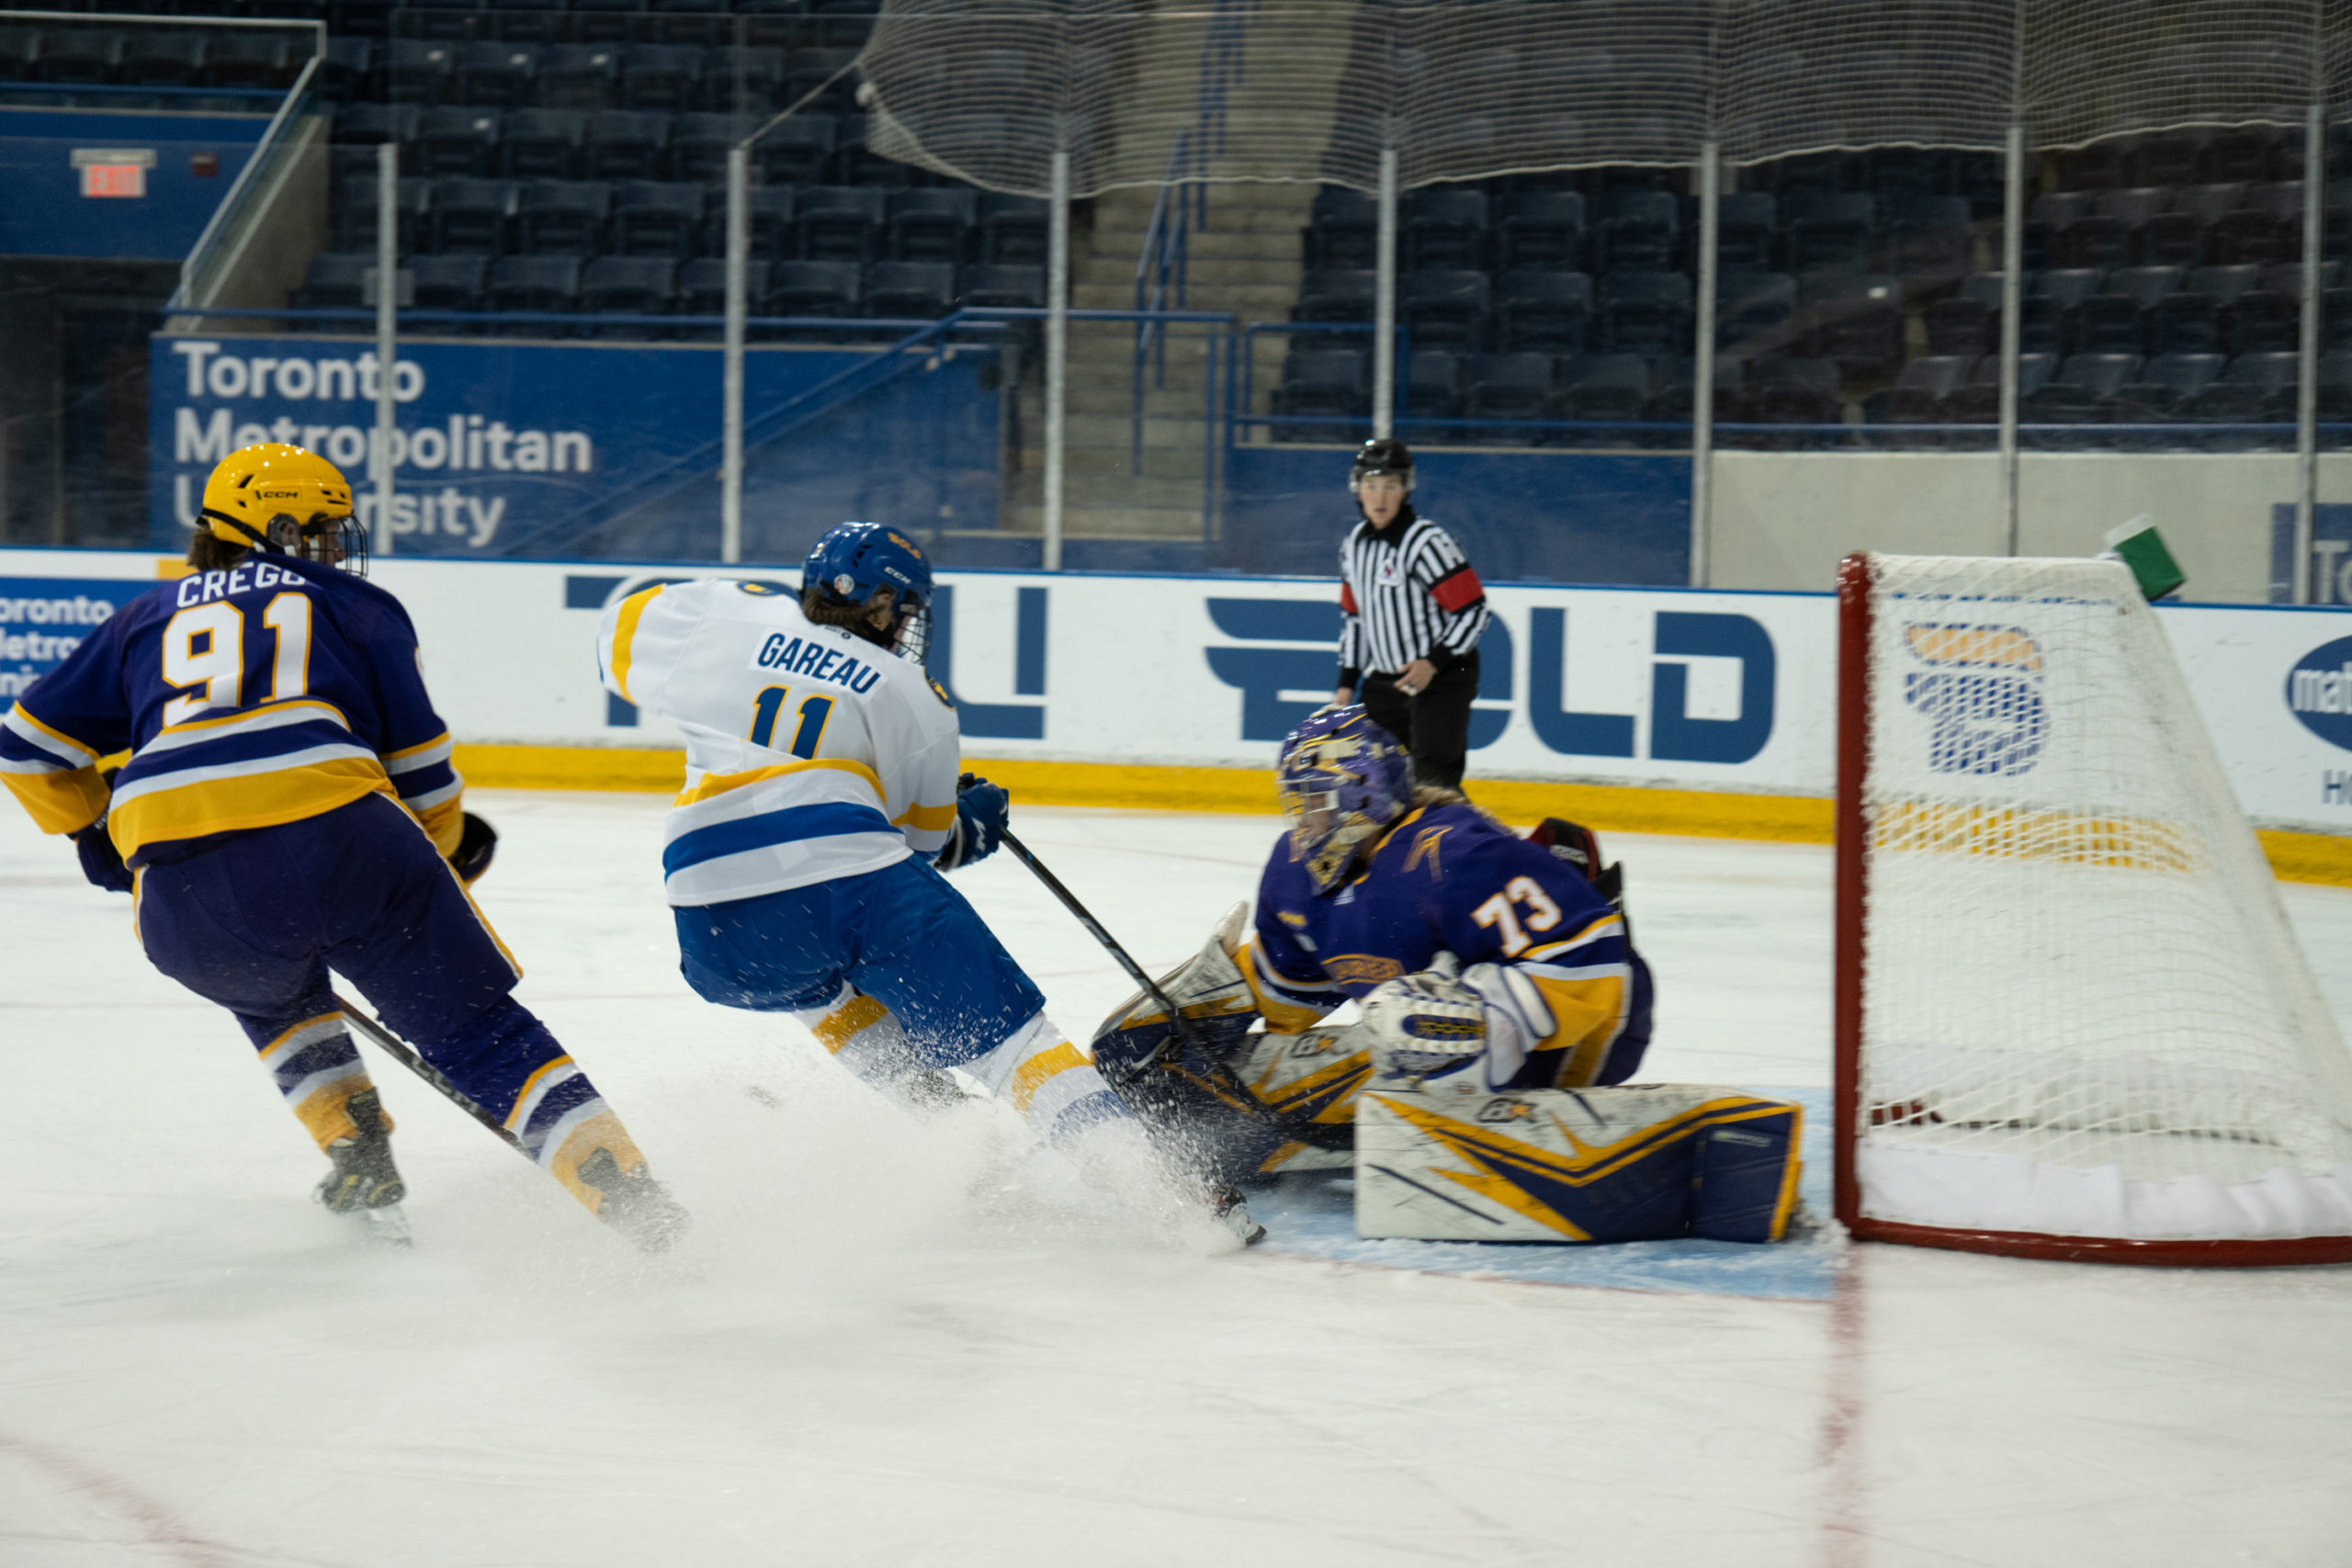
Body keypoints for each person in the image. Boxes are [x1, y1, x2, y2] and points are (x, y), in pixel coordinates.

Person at [0, 444, 686, 1250]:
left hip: (180, 882)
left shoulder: (139, 620)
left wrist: (101, 841)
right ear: (275, 524)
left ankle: (354, 1147)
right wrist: (441, 856)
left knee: (267, 990)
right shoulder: (356, 607)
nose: (334, 547)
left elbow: (24, 747)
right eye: (321, 529)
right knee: (476, 1032)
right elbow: (423, 775)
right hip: (343, 838)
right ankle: (626, 1190)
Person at [594, 521, 1261, 1244]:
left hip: (709, 907)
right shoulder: (911, 692)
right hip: (847, 874)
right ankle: (1174, 1205)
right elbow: (920, 845)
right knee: (1015, 1045)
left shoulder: (722, 613)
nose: (907, 624)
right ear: (879, 604)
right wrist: (970, 824)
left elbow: (618, 637)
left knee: (819, 989)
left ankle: (959, 1141)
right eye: (904, 608)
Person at [1091, 705, 1654, 1187]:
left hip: (1578, 1037)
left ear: (1362, 792)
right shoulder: (1300, 875)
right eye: (1296, 803)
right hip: (1430, 1056)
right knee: (1226, 1091)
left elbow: (1592, 967)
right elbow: (1287, 995)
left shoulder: (1453, 853)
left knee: (1408, 1020)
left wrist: (1478, 1017)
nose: (1302, 821)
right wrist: (1193, 1006)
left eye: (1314, 801)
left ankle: (1451, 1116)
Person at [1332, 437, 1488, 792]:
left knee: (1432, 782)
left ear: (1405, 489)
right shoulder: (1354, 545)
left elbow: (1473, 610)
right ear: (1358, 490)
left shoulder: (1427, 542)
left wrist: (1432, 662)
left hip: (1445, 676)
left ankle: (1451, 845)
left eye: (1390, 486)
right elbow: (1354, 617)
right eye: (1371, 486)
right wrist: (1346, 683)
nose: (1380, 497)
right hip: (1386, 681)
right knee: (1371, 781)